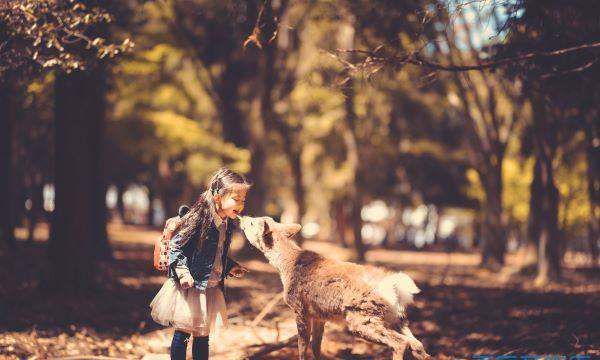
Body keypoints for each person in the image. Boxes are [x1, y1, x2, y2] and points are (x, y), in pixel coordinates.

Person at [149, 167, 251, 360]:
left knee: (203, 336)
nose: (241, 205)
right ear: (218, 197)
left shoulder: (227, 223)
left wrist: (230, 266)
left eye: (243, 200)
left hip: (210, 286)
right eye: (236, 199)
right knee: (184, 333)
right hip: (191, 286)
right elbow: (176, 246)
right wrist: (183, 273)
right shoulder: (199, 218)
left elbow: (215, 254)